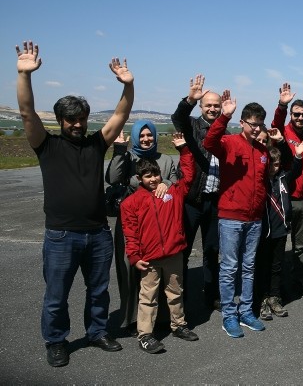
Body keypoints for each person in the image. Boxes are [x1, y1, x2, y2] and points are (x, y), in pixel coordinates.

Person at [15, 40, 132, 367]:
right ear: (60, 121)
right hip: (61, 236)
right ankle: (56, 341)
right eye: (71, 120)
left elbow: (121, 114)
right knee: (56, 297)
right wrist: (24, 76)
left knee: (99, 292)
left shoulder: (97, 144)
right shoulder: (46, 145)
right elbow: (25, 112)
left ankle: (97, 332)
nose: (78, 124)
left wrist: (128, 85)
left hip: (97, 234)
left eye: (81, 118)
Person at [203, 96, 282, 338]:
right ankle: (229, 315)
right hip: (230, 217)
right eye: (252, 123)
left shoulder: (262, 151)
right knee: (229, 268)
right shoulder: (228, 142)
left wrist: (281, 143)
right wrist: (223, 115)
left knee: (249, 266)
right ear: (242, 123)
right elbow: (209, 142)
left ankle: (246, 311)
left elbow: (270, 176)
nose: (256, 128)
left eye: (260, 124)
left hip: (254, 219)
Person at [120, 133, 200, 354]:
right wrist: (135, 257)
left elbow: (189, 175)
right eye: (147, 176)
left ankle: (179, 325)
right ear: (139, 179)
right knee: (148, 297)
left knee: (175, 293)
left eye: (155, 174)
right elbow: (131, 232)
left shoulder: (173, 192)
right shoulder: (131, 203)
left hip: (174, 253)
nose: (153, 179)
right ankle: (145, 334)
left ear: (160, 174)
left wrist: (184, 149)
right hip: (149, 259)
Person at [106, 119, 178, 333]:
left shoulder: (165, 159)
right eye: (142, 135)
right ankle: (131, 318)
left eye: (150, 135)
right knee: (129, 268)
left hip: (158, 224)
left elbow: (175, 179)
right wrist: (119, 150)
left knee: (157, 270)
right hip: (132, 220)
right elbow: (112, 178)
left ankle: (161, 318)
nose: (146, 139)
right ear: (136, 137)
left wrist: (167, 183)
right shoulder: (129, 157)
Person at [171, 74, 224, 311]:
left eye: (216, 106)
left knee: (212, 251)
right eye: (208, 105)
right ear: (201, 107)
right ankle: (178, 297)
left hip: (215, 202)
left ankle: (211, 295)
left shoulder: (224, 132)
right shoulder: (191, 125)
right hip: (192, 200)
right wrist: (189, 100)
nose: (212, 109)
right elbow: (177, 117)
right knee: (183, 250)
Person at [270, 83, 303, 297]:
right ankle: (275, 286)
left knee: (299, 245)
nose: (300, 118)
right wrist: (282, 105)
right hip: (283, 197)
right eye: (296, 114)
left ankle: (298, 280)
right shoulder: (283, 132)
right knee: (277, 244)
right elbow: (276, 123)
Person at [255, 140, 303, 320]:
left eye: (276, 164)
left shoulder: (284, 178)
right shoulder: (259, 180)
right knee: (262, 267)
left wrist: (298, 155)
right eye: (270, 164)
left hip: (280, 230)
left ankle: (275, 297)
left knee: (277, 267)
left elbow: (297, 170)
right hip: (263, 232)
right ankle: (261, 299)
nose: (273, 168)